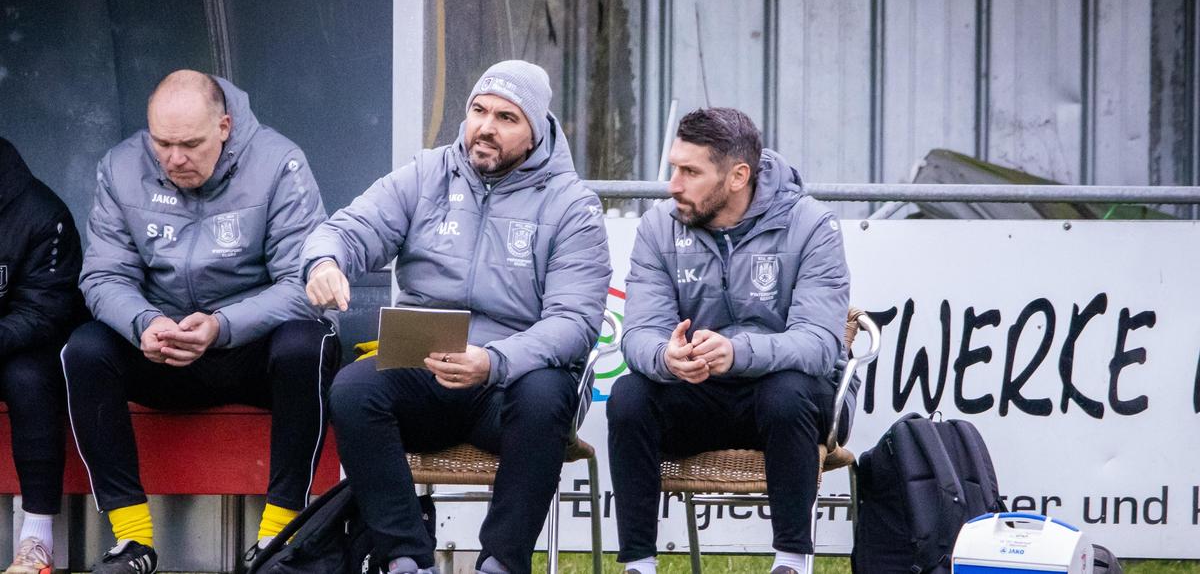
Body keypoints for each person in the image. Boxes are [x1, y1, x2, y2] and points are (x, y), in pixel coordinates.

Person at [304, 60, 611, 574]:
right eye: (479, 111)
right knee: (354, 390)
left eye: (507, 118)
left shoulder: (571, 205)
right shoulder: (428, 174)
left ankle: (500, 563)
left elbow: (575, 323)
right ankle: (405, 558)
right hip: (426, 371)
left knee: (546, 395)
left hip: (511, 385)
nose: (486, 127)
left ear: (536, 132)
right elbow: (349, 229)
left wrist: (493, 361)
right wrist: (325, 262)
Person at [62, 70, 338, 573]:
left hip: (246, 347)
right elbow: (103, 276)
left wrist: (221, 325)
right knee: (83, 349)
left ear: (225, 126)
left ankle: (278, 540)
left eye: (190, 145)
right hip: (160, 346)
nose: (174, 159)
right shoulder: (120, 166)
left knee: (309, 344)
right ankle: (132, 540)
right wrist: (143, 322)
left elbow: (303, 286)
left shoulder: (279, 163)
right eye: (162, 143)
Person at [606, 107, 852, 574]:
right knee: (629, 396)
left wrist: (737, 352)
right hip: (698, 393)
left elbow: (821, 344)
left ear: (738, 176)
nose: (673, 185)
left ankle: (792, 561)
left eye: (690, 172)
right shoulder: (659, 226)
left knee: (787, 393)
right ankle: (638, 564)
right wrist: (667, 356)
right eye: (674, 168)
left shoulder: (811, 224)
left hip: (788, 400)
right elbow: (638, 333)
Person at [0, 137, 86, 574]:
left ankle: (36, 539)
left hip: (23, 346)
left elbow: (44, 311)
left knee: (28, 378)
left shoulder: (40, 213)